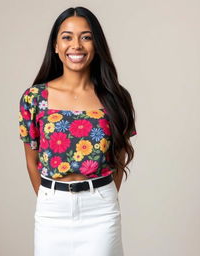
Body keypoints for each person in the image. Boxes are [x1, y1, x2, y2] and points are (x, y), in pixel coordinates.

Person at [18, 6, 137, 256]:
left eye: (86, 36)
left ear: (96, 44)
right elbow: (32, 162)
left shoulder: (116, 97)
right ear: (55, 46)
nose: (76, 45)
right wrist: (53, 200)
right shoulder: (34, 98)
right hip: (52, 211)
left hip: (100, 210)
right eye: (67, 37)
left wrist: (102, 196)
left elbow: (120, 154)